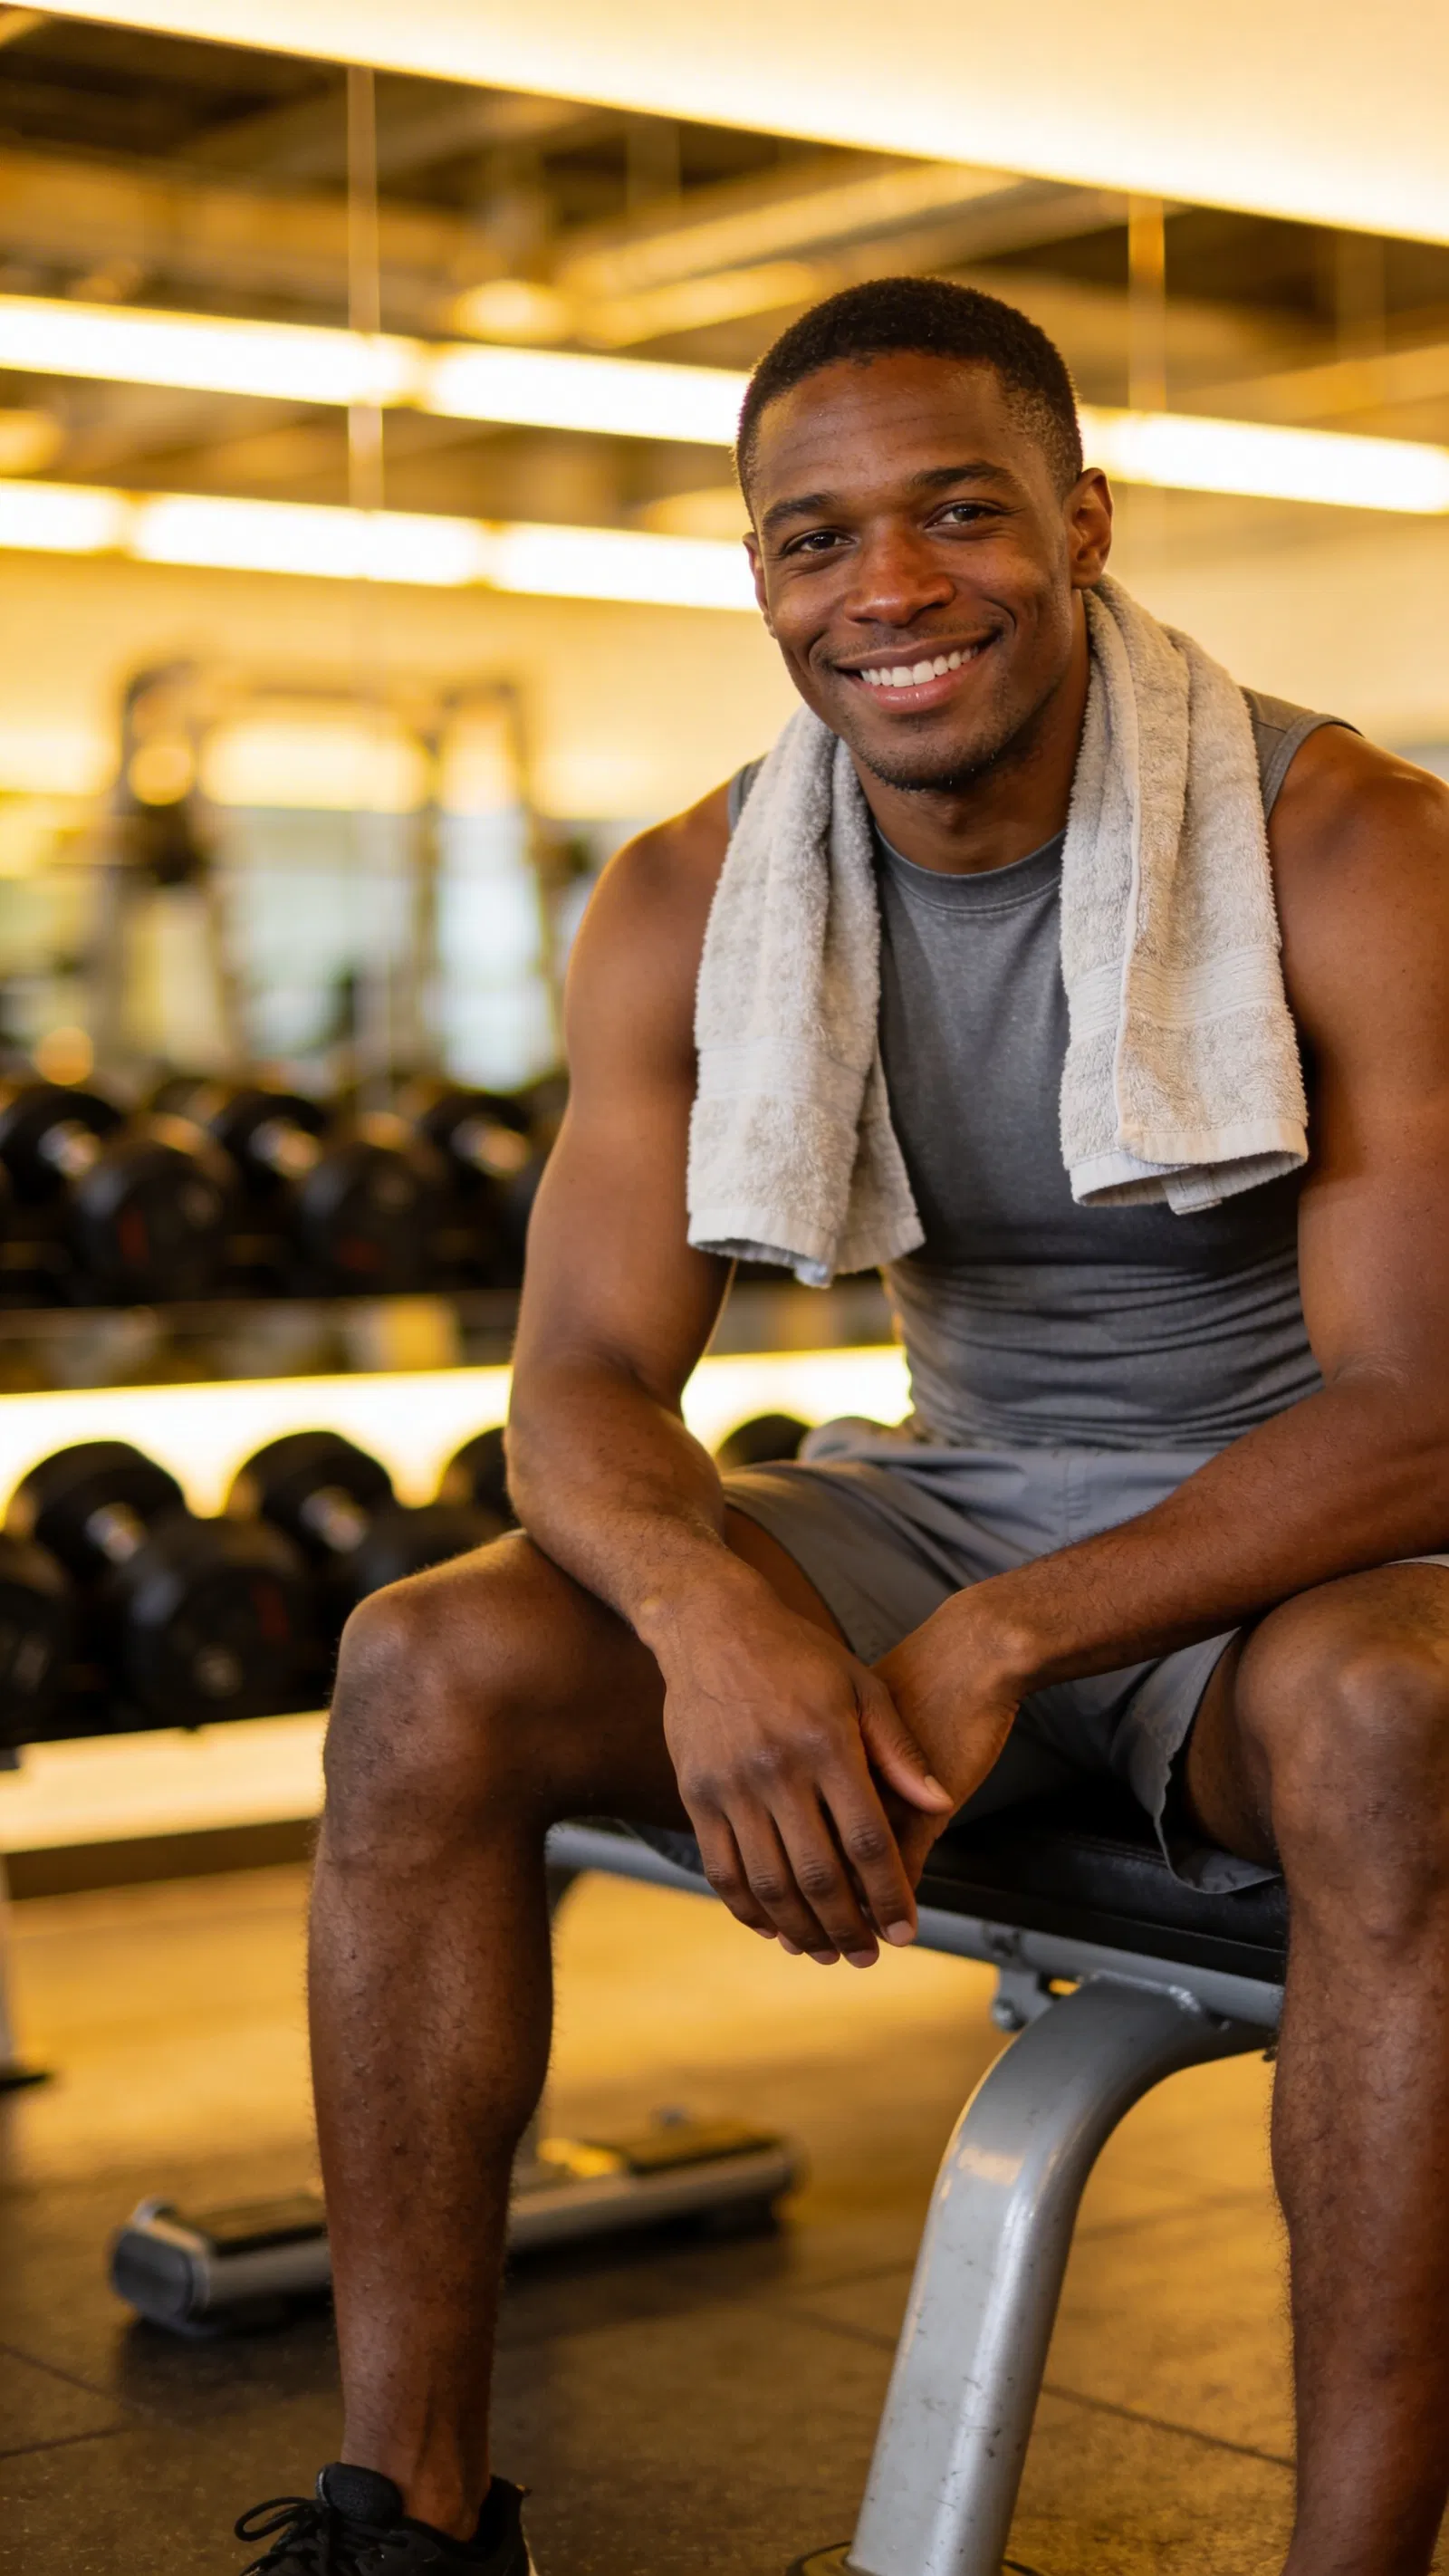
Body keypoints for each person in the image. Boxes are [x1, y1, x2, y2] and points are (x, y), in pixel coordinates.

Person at [234, 279, 1449, 2576]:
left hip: (1314, 1552)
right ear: (759, 578)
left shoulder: (1352, 846)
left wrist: (996, 1641)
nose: (884, 590)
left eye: (956, 514)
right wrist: (705, 1610)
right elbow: (581, 1383)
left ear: (1081, 525)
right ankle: (401, 2518)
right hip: (951, 1485)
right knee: (427, 1664)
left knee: (1394, 1717)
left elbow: (1423, 1413)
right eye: (812, 541)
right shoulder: (691, 895)